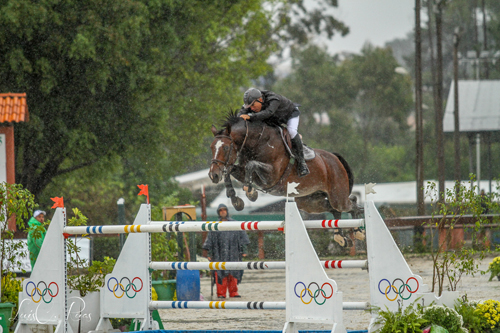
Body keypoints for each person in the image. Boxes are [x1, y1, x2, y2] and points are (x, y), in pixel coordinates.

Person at [238, 88, 310, 177]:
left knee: (291, 131)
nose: (252, 108)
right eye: (249, 107)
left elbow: (268, 112)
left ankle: (302, 163)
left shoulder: (273, 99)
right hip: (275, 119)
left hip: (289, 115)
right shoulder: (254, 102)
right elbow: (240, 115)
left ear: (260, 100)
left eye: (253, 105)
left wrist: (250, 116)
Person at [202, 204, 250, 298]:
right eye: (221, 210)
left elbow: (243, 238)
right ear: (218, 212)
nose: (223, 211)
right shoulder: (214, 226)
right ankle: (221, 294)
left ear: (227, 211)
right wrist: (210, 253)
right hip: (218, 253)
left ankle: (234, 292)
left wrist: (244, 250)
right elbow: (210, 240)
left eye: (224, 210)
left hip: (234, 252)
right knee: (220, 273)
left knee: (234, 272)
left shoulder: (235, 224)